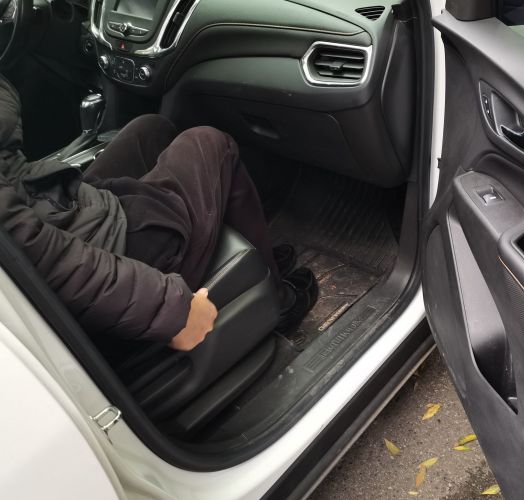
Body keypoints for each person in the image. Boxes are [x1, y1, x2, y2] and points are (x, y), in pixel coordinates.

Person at [0, 76, 313, 352]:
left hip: (60, 209)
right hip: (108, 250)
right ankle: (278, 300)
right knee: (212, 143)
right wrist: (167, 309)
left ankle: (259, 257)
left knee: (149, 130)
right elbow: (42, 261)